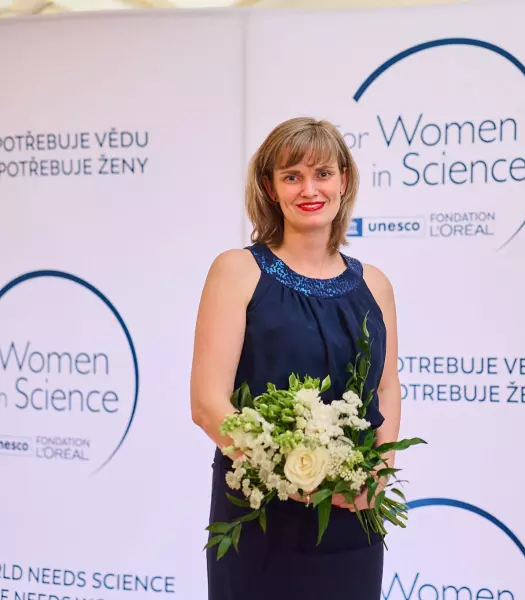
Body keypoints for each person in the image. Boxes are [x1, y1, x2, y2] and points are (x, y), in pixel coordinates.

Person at [189, 117, 401, 599]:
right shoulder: (237, 270)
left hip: (353, 518)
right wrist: (301, 476)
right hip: (261, 519)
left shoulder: (376, 284)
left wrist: (376, 475)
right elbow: (207, 404)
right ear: (270, 187)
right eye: (292, 176)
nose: (310, 189)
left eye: (323, 173)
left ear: (344, 181)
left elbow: (386, 387)